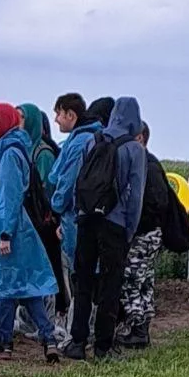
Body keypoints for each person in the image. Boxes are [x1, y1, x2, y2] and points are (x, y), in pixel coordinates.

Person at [64, 97, 147, 362]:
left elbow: (80, 181)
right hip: (115, 223)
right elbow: (136, 196)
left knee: (84, 280)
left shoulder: (92, 141)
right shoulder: (135, 149)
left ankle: (77, 341)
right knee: (111, 284)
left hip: (87, 218)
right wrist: (129, 230)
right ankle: (103, 346)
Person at [0, 103, 59, 363]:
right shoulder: (15, 148)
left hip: (13, 228)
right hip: (18, 227)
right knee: (28, 287)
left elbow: (8, 195)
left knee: (7, 288)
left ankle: (4, 343)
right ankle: (49, 339)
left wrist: (4, 233)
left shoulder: (9, 153)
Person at [49, 93, 103, 336]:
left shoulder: (79, 142)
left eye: (58, 113)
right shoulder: (97, 136)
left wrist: (56, 207)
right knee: (93, 276)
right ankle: (90, 327)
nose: (56, 119)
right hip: (95, 217)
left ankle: (78, 331)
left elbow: (65, 180)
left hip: (76, 219)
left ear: (71, 114)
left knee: (79, 277)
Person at [16, 103, 69, 332]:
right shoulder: (25, 148)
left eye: (21, 118)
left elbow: (49, 189)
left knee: (49, 267)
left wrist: (50, 215)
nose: (17, 123)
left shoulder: (43, 152)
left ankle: (53, 314)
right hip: (33, 220)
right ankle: (34, 317)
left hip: (44, 222)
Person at [117, 121, 170, 350]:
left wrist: (133, 224)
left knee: (131, 280)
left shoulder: (145, 166)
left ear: (139, 138)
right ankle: (142, 326)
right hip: (153, 233)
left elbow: (153, 202)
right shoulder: (153, 163)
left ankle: (136, 328)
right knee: (145, 280)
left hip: (143, 233)